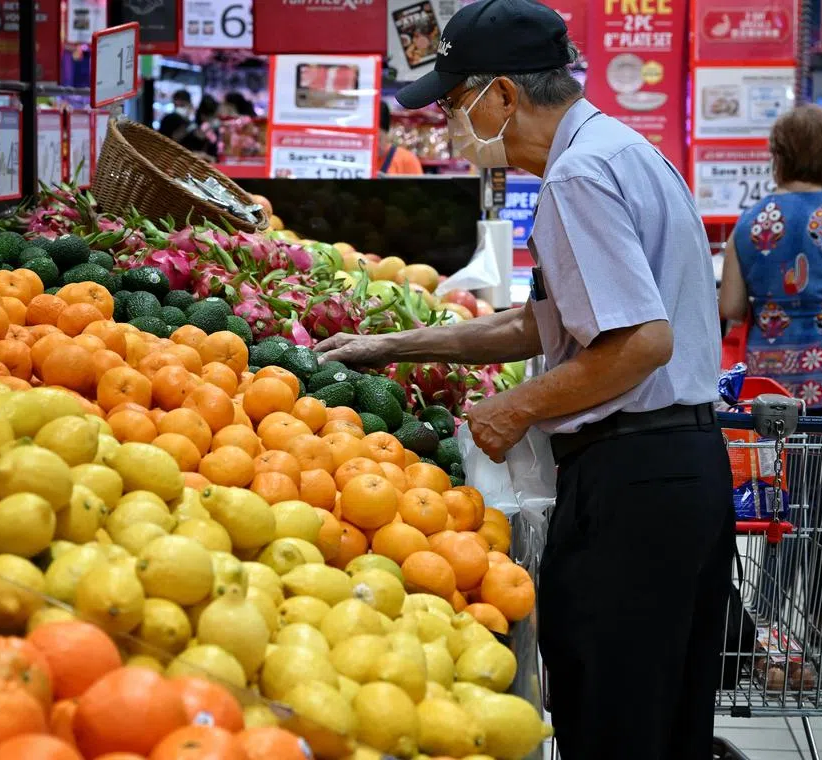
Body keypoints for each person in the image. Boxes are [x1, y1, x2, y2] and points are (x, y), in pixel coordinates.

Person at [316, 1, 733, 758]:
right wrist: (393, 346)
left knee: (611, 725)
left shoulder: (579, 177)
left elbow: (642, 342)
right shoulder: (622, 152)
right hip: (681, 476)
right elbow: (547, 323)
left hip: (631, 483)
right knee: (667, 726)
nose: (446, 121)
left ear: (502, 94)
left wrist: (516, 406)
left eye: (452, 100)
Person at [719, 104, 822, 410]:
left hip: (769, 381)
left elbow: (731, 306)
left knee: (776, 456)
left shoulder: (749, 222)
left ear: (777, 156)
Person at [378, 101, 425, 176]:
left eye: (378, 139)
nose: (373, 146)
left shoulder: (407, 160)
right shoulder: (357, 160)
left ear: (388, 133)